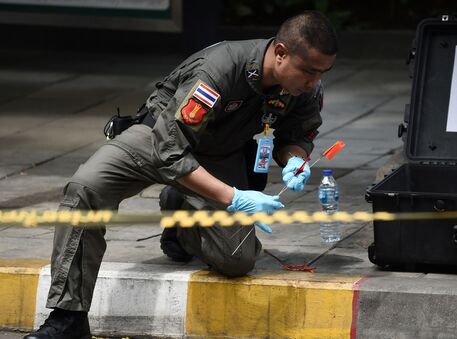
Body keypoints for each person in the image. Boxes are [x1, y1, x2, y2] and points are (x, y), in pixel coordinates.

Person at [25, 10, 337, 339]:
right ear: (281, 53)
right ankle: (67, 316)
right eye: (309, 72)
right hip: (158, 137)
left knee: (236, 260)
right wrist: (234, 197)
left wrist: (294, 160)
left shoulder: (303, 88)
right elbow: (171, 149)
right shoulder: (220, 69)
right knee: (86, 188)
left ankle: (181, 217)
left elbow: (298, 135)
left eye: (322, 73)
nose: (315, 81)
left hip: (218, 154)